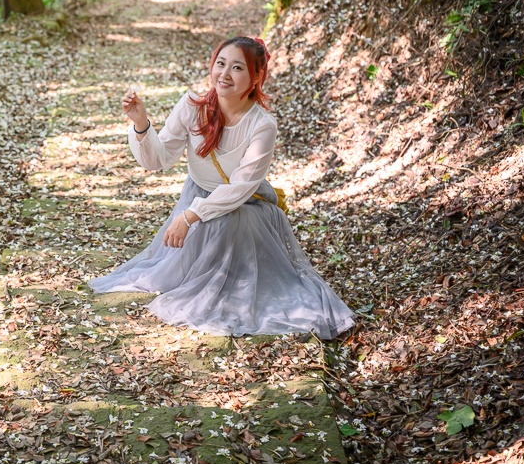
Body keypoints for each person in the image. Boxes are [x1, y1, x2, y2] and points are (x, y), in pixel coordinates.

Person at [89, 36, 356, 339]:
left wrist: (190, 216)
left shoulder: (262, 125)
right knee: (173, 273)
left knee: (236, 246)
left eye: (238, 68)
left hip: (245, 208)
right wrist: (141, 124)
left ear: (256, 77)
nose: (225, 74)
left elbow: (240, 188)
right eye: (221, 64)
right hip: (197, 198)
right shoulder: (192, 107)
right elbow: (158, 160)